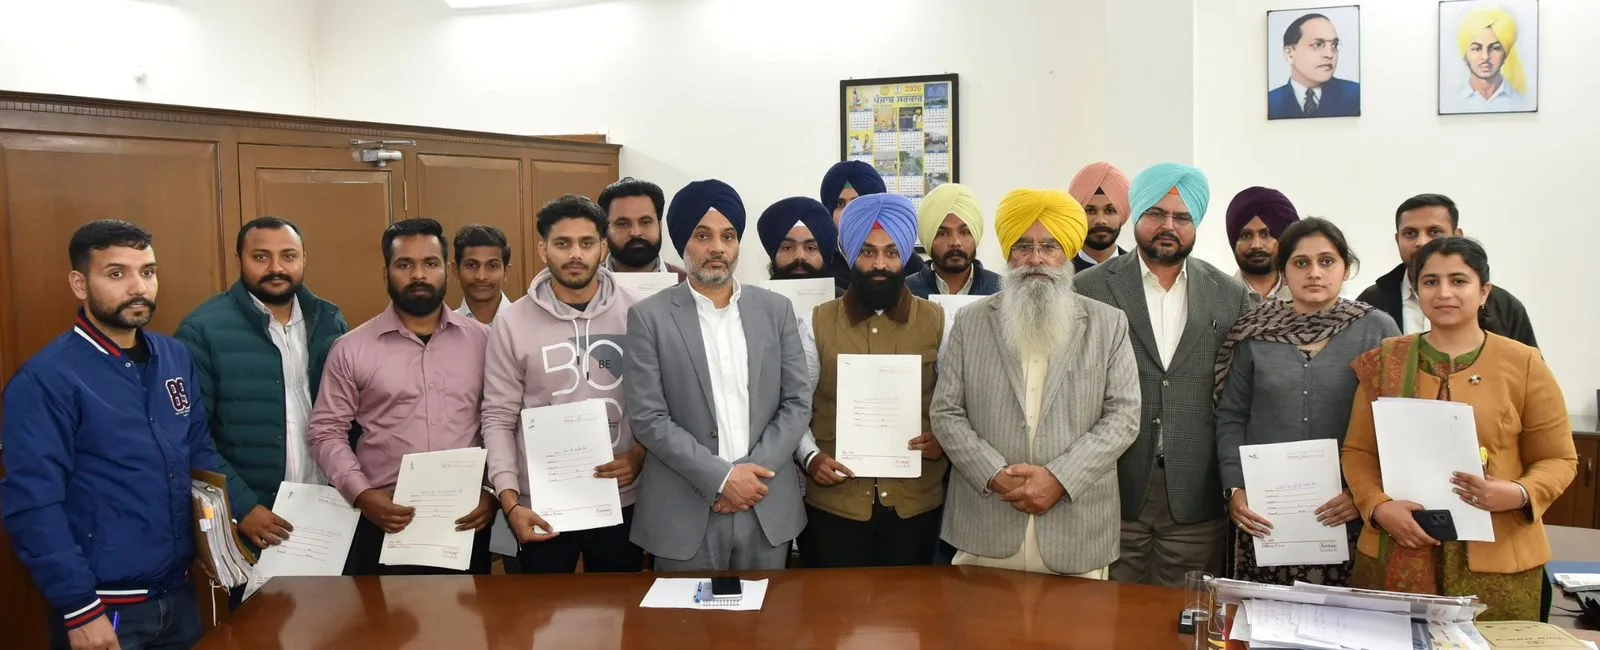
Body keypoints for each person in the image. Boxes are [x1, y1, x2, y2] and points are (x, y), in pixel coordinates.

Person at [2, 220, 247, 649]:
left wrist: (223, 540)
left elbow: (198, 455)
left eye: (147, 272)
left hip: (180, 594)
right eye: (117, 273)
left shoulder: (174, 357)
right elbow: (33, 503)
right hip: (103, 607)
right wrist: (79, 609)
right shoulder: (47, 378)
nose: (138, 287)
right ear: (80, 284)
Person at [1342, 237, 1575, 620]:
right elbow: (1359, 451)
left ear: (1484, 292)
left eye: (1459, 281)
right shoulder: (1386, 361)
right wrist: (1378, 506)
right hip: (1395, 547)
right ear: (1417, 291)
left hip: (1500, 560)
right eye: (1431, 282)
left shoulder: (1524, 364)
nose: (1444, 292)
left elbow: (1559, 458)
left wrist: (1518, 493)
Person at [934, 189, 1141, 577]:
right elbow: (946, 412)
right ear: (1008, 254)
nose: (1036, 259)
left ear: (1068, 254)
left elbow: (1124, 417)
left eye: (1050, 246)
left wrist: (1060, 479)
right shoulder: (971, 321)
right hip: (987, 524)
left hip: (1076, 532)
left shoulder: (1108, 324)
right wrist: (995, 475)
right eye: (1023, 246)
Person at [1074, 163, 1252, 587]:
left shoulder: (1230, 295)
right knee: (1106, 613)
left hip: (1196, 492)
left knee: (1184, 613)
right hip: (1110, 487)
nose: (1168, 226)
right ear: (1136, 215)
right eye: (1156, 213)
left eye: (1182, 217)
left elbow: (1240, 397)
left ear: (1196, 224)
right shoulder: (1087, 288)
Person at [624, 179, 811, 571]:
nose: (717, 248)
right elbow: (649, 418)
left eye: (728, 236)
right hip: (684, 508)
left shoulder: (776, 311)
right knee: (682, 613)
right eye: (702, 235)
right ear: (682, 243)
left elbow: (796, 402)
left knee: (769, 611)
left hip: (763, 502)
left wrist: (749, 478)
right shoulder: (648, 317)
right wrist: (722, 479)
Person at [1214, 218, 1399, 585]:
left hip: (1349, 513)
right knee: (1262, 614)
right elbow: (1231, 416)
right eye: (1301, 263)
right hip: (1265, 515)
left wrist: (1363, 493)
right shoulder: (1255, 331)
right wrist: (1235, 488)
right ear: (1283, 271)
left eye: (1327, 261)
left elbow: (1395, 423)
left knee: (1345, 616)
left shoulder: (1378, 330)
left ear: (1346, 268)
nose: (1315, 273)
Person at [308, 218, 496, 575]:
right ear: (386, 272)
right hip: (385, 520)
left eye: (430, 263)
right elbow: (325, 432)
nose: (419, 275)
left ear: (447, 269)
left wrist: (492, 491)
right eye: (405, 264)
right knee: (388, 613)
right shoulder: (351, 349)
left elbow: (502, 423)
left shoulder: (485, 342)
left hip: (466, 519)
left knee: (468, 612)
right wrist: (362, 495)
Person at [481, 195, 644, 574]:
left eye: (586, 243)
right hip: (541, 503)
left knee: (619, 607)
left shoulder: (637, 313)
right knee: (544, 609)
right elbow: (498, 418)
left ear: (603, 247)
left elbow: (659, 404)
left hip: (621, 497)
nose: (575, 254)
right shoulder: (512, 323)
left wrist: (640, 455)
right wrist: (510, 502)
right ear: (543, 249)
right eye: (562, 243)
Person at [176, 217, 348, 556]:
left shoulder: (329, 320)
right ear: (239, 260)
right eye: (261, 257)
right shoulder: (203, 330)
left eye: (288, 256)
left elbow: (350, 416)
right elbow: (191, 433)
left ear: (303, 258)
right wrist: (241, 505)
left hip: (329, 507)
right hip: (255, 518)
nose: (276, 268)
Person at [794, 194, 947, 568]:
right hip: (835, 508)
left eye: (891, 252)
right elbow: (794, 406)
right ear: (850, 254)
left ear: (905, 256)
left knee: (913, 605)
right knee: (834, 606)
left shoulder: (939, 322)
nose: (880, 264)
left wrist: (944, 440)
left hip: (915, 508)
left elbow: (958, 404)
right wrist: (810, 457)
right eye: (867, 252)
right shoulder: (816, 323)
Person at [1356, 193, 1536, 347]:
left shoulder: (1502, 305)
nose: (1421, 242)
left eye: (1434, 232)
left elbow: (1526, 371)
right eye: (1410, 233)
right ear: (1397, 240)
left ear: (1457, 236)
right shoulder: (1371, 302)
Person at [820, 161, 926, 291]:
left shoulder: (910, 264)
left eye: (857, 204)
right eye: (840, 204)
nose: (847, 213)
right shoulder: (820, 262)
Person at [906, 183, 1000, 298]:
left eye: (964, 232)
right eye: (943, 233)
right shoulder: (904, 293)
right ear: (928, 237)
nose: (955, 242)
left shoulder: (1002, 291)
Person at [1268, 13, 1360, 119]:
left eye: (1334, 45)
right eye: (1317, 45)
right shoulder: (1270, 102)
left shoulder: (1356, 95)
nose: (1329, 54)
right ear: (1290, 54)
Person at [1442, 6, 1531, 114]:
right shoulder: (1451, 103)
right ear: (1465, 55)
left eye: (1495, 48)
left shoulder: (1522, 102)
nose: (1485, 56)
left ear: (1505, 54)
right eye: (1476, 49)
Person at [598, 177, 687, 281]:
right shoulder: (587, 284)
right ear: (605, 230)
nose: (635, 233)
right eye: (623, 224)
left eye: (645, 222)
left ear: (659, 226)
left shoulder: (689, 283)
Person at [1224, 187, 1300, 306]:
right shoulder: (1215, 298)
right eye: (1245, 235)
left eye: (1266, 234)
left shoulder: (1307, 299)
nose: (1256, 245)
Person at [1067, 162, 1132, 273]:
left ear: (1122, 213)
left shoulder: (1140, 271)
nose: (1101, 220)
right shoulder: (1058, 273)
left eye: (1110, 211)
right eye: (1090, 211)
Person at [756, 197, 837, 281]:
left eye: (810, 248)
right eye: (787, 247)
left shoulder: (844, 290)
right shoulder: (754, 291)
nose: (799, 256)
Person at [453, 224, 513, 324]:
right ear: (456, 270)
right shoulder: (442, 329)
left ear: (506, 271)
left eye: (492, 266)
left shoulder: (529, 324)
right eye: (471, 265)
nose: (481, 277)